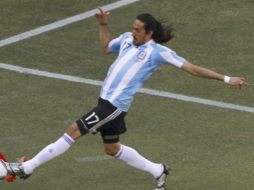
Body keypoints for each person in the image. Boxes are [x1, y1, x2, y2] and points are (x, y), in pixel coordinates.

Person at [2, 8, 246, 190]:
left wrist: (226, 79)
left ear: (149, 33)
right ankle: (158, 170)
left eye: (138, 30)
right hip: (107, 103)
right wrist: (103, 25)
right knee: (112, 149)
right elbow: (108, 47)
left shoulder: (158, 52)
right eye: (133, 27)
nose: (133, 32)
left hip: (113, 106)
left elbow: (191, 68)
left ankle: (26, 167)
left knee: (73, 130)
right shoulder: (127, 40)